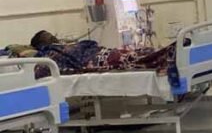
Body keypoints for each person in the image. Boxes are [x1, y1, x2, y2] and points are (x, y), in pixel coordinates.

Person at [27, 30, 176, 76]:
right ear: (42, 44)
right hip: (95, 61)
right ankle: (169, 54)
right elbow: (42, 70)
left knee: (135, 52)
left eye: (52, 35)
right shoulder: (49, 55)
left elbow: (90, 44)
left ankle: (171, 51)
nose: (53, 37)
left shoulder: (65, 45)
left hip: (102, 52)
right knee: (130, 58)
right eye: (48, 37)